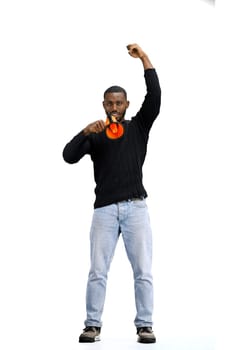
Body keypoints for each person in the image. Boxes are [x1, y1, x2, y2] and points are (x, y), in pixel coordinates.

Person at [63, 43, 161, 343]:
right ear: (104, 105)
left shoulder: (138, 127)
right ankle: (92, 325)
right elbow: (68, 156)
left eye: (119, 103)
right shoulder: (96, 134)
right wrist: (84, 132)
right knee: (97, 271)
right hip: (104, 210)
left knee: (143, 271)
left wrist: (144, 58)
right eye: (109, 104)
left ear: (126, 105)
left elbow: (155, 97)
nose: (114, 108)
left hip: (136, 208)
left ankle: (145, 325)